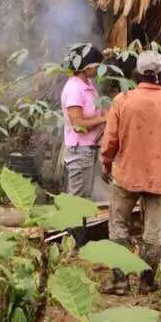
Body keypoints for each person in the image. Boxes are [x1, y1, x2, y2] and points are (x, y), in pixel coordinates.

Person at [100, 50, 161, 295]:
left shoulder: (122, 100)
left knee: (118, 227)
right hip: (159, 178)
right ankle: (147, 283)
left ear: (137, 73)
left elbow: (110, 141)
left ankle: (119, 281)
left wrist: (106, 163)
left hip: (126, 175)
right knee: (153, 232)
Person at [60, 44, 107, 203]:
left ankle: (76, 227)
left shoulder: (88, 85)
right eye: (96, 66)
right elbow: (78, 125)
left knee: (83, 197)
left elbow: (92, 111)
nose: (98, 69)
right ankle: (73, 228)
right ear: (86, 66)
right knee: (78, 200)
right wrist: (103, 119)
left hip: (88, 149)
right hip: (80, 150)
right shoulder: (74, 88)